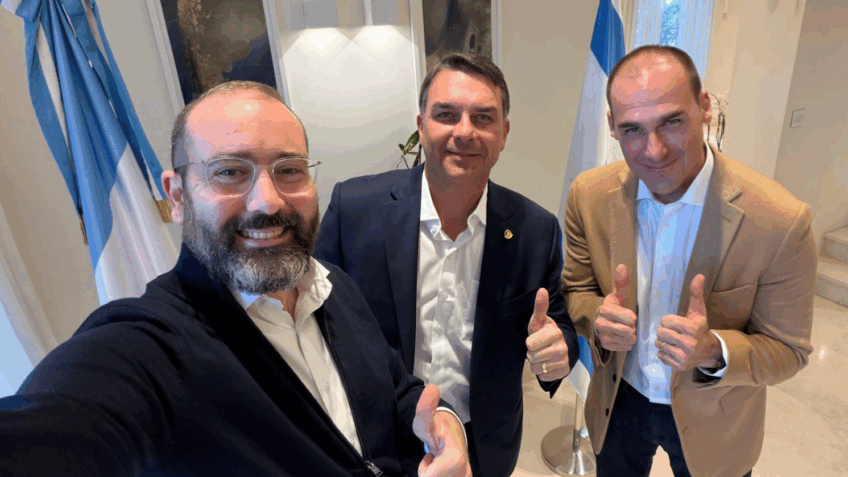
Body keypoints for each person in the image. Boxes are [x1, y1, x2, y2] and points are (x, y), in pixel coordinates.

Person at [0, 81, 471, 477]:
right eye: (229, 172)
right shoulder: (148, 346)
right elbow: (59, 426)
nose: (268, 201)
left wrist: (445, 425)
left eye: (289, 169)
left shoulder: (336, 287)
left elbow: (395, 391)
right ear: (177, 195)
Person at [314, 53, 579, 477]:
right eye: (447, 115)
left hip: (485, 442)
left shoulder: (536, 229)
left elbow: (557, 324)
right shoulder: (354, 210)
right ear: (421, 126)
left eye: (483, 117)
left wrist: (559, 350)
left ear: (504, 133)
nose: (465, 131)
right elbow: (316, 318)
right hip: (380, 434)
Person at [561, 45, 816, 477]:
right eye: (633, 129)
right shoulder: (588, 196)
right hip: (617, 402)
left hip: (716, 417)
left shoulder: (780, 221)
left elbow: (790, 351)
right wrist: (596, 317)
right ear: (612, 127)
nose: (654, 150)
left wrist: (713, 350)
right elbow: (576, 290)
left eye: (671, 122)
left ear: (704, 108)